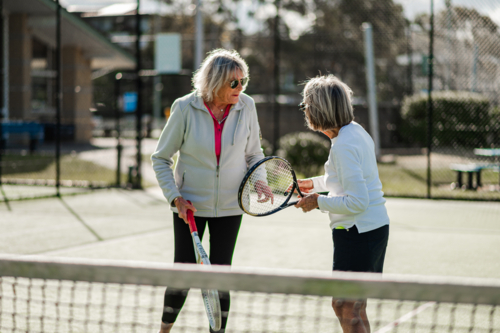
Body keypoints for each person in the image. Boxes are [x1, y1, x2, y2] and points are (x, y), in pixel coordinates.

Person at [151, 49, 268, 333]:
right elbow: (161, 158)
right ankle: (164, 330)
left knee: (221, 276)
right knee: (183, 274)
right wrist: (175, 198)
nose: (240, 88)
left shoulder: (247, 106)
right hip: (189, 208)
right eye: (234, 83)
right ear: (215, 82)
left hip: (231, 206)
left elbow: (254, 153)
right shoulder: (183, 108)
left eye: (243, 81)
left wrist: (260, 180)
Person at [294, 74, 390, 333]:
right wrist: (313, 185)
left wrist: (317, 202)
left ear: (318, 109)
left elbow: (357, 201)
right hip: (371, 229)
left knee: (345, 305)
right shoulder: (353, 133)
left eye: (306, 106)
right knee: (352, 306)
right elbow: (345, 180)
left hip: (358, 233)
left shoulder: (343, 145)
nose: (305, 112)